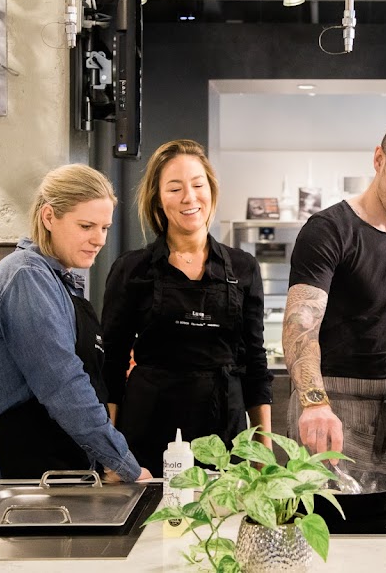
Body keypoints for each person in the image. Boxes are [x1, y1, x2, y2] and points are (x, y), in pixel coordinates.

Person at [283, 113, 386, 478]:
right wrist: (314, 404)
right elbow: (299, 328)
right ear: (379, 159)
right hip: (331, 407)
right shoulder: (329, 230)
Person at [0, 164, 149, 483]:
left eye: (104, 228)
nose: (99, 239)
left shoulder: (60, 280)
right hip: (21, 462)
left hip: (56, 459)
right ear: (49, 217)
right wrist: (121, 463)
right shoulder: (26, 277)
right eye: (86, 226)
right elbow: (63, 384)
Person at [102, 139, 272, 476]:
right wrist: (110, 456)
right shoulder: (132, 269)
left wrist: (263, 452)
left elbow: (255, 362)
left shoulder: (243, 268)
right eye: (175, 188)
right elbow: (111, 366)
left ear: (211, 189)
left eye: (198, 185)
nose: (189, 197)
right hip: (148, 432)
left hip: (225, 434)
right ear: (158, 198)